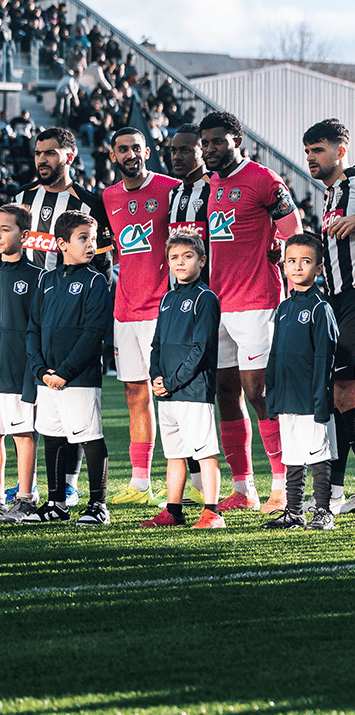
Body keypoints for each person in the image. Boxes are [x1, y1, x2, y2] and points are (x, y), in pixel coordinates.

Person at [199, 111, 301, 512]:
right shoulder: (212, 184)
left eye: (218, 142)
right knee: (226, 393)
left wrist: (286, 266)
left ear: (236, 140)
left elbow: (294, 231)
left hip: (258, 301)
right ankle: (244, 488)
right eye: (206, 143)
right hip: (219, 302)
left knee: (260, 394)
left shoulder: (264, 180)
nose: (210, 149)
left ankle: (281, 484)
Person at [302, 118, 355, 516]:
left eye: (318, 150)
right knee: (334, 397)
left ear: (341, 149)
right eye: (307, 152)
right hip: (334, 299)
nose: (311, 158)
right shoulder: (329, 193)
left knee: (347, 393)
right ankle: (333, 493)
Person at [100, 127, 180, 507]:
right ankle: (140, 483)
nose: (130, 154)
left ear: (147, 150)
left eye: (136, 147)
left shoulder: (171, 188)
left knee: (170, 393)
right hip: (124, 309)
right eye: (122, 149)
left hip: (161, 308)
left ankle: (187, 479)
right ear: (113, 155)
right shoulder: (108, 196)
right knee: (134, 392)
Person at [20, 210, 113, 525]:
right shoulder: (46, 280)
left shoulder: (96, 281)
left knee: (90, 438)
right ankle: (56, 503)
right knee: (53, 437)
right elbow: (33, 329)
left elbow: (93, 333)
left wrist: (65, 373)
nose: (91, 245)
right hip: (46, 380)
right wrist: (41, 371)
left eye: (93, 238)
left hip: (79, 379)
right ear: (61, 244)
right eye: (83, 238)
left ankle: (98, 505)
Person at [138, 233, 225, 530]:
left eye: (187, 256)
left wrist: (173, 381)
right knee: (174, 454)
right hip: (169, 393)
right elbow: (157, 345)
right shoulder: (167, 299)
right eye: (174, 257)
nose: (180, 262)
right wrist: (156, 378)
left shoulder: (206, 298)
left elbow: (202, 349)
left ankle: (212, 512)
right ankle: (173, 511)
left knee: (204, 453)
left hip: (194, 391)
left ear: (201, 260)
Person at [262, 234, 340, 531]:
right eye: (292, 261)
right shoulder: (283, 309)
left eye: (305, 262)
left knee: (319, 454)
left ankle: (323, 511)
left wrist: (322, 401)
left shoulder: (321, 309)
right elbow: (275, 354)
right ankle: (294, 511)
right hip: (286, 397)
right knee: (293, 455)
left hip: (312, 398)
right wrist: (272, 395)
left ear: (319, 268)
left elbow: (325, 360)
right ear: (283, 266)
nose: (297, 267)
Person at [14, 127, 109, 273]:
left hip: (67, 294)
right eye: (38, 153)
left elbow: (103, 266)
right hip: (24, 293)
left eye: (50, 153)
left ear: (70, 158)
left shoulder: (89, 205)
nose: (42, 160)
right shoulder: (21, 196)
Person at [0, 204, 38, 518]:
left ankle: (25, 498)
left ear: (24, 235)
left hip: (19, 371)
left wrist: (34, 374)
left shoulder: (36, 278)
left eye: (5, 229)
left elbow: (37, 330)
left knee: (23, 435)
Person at [166, 127, 211, 245]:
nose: (176, 157)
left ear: (203, 152)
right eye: (173, 151)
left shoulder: (216, 189)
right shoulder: (172, 194)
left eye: (185, 151)